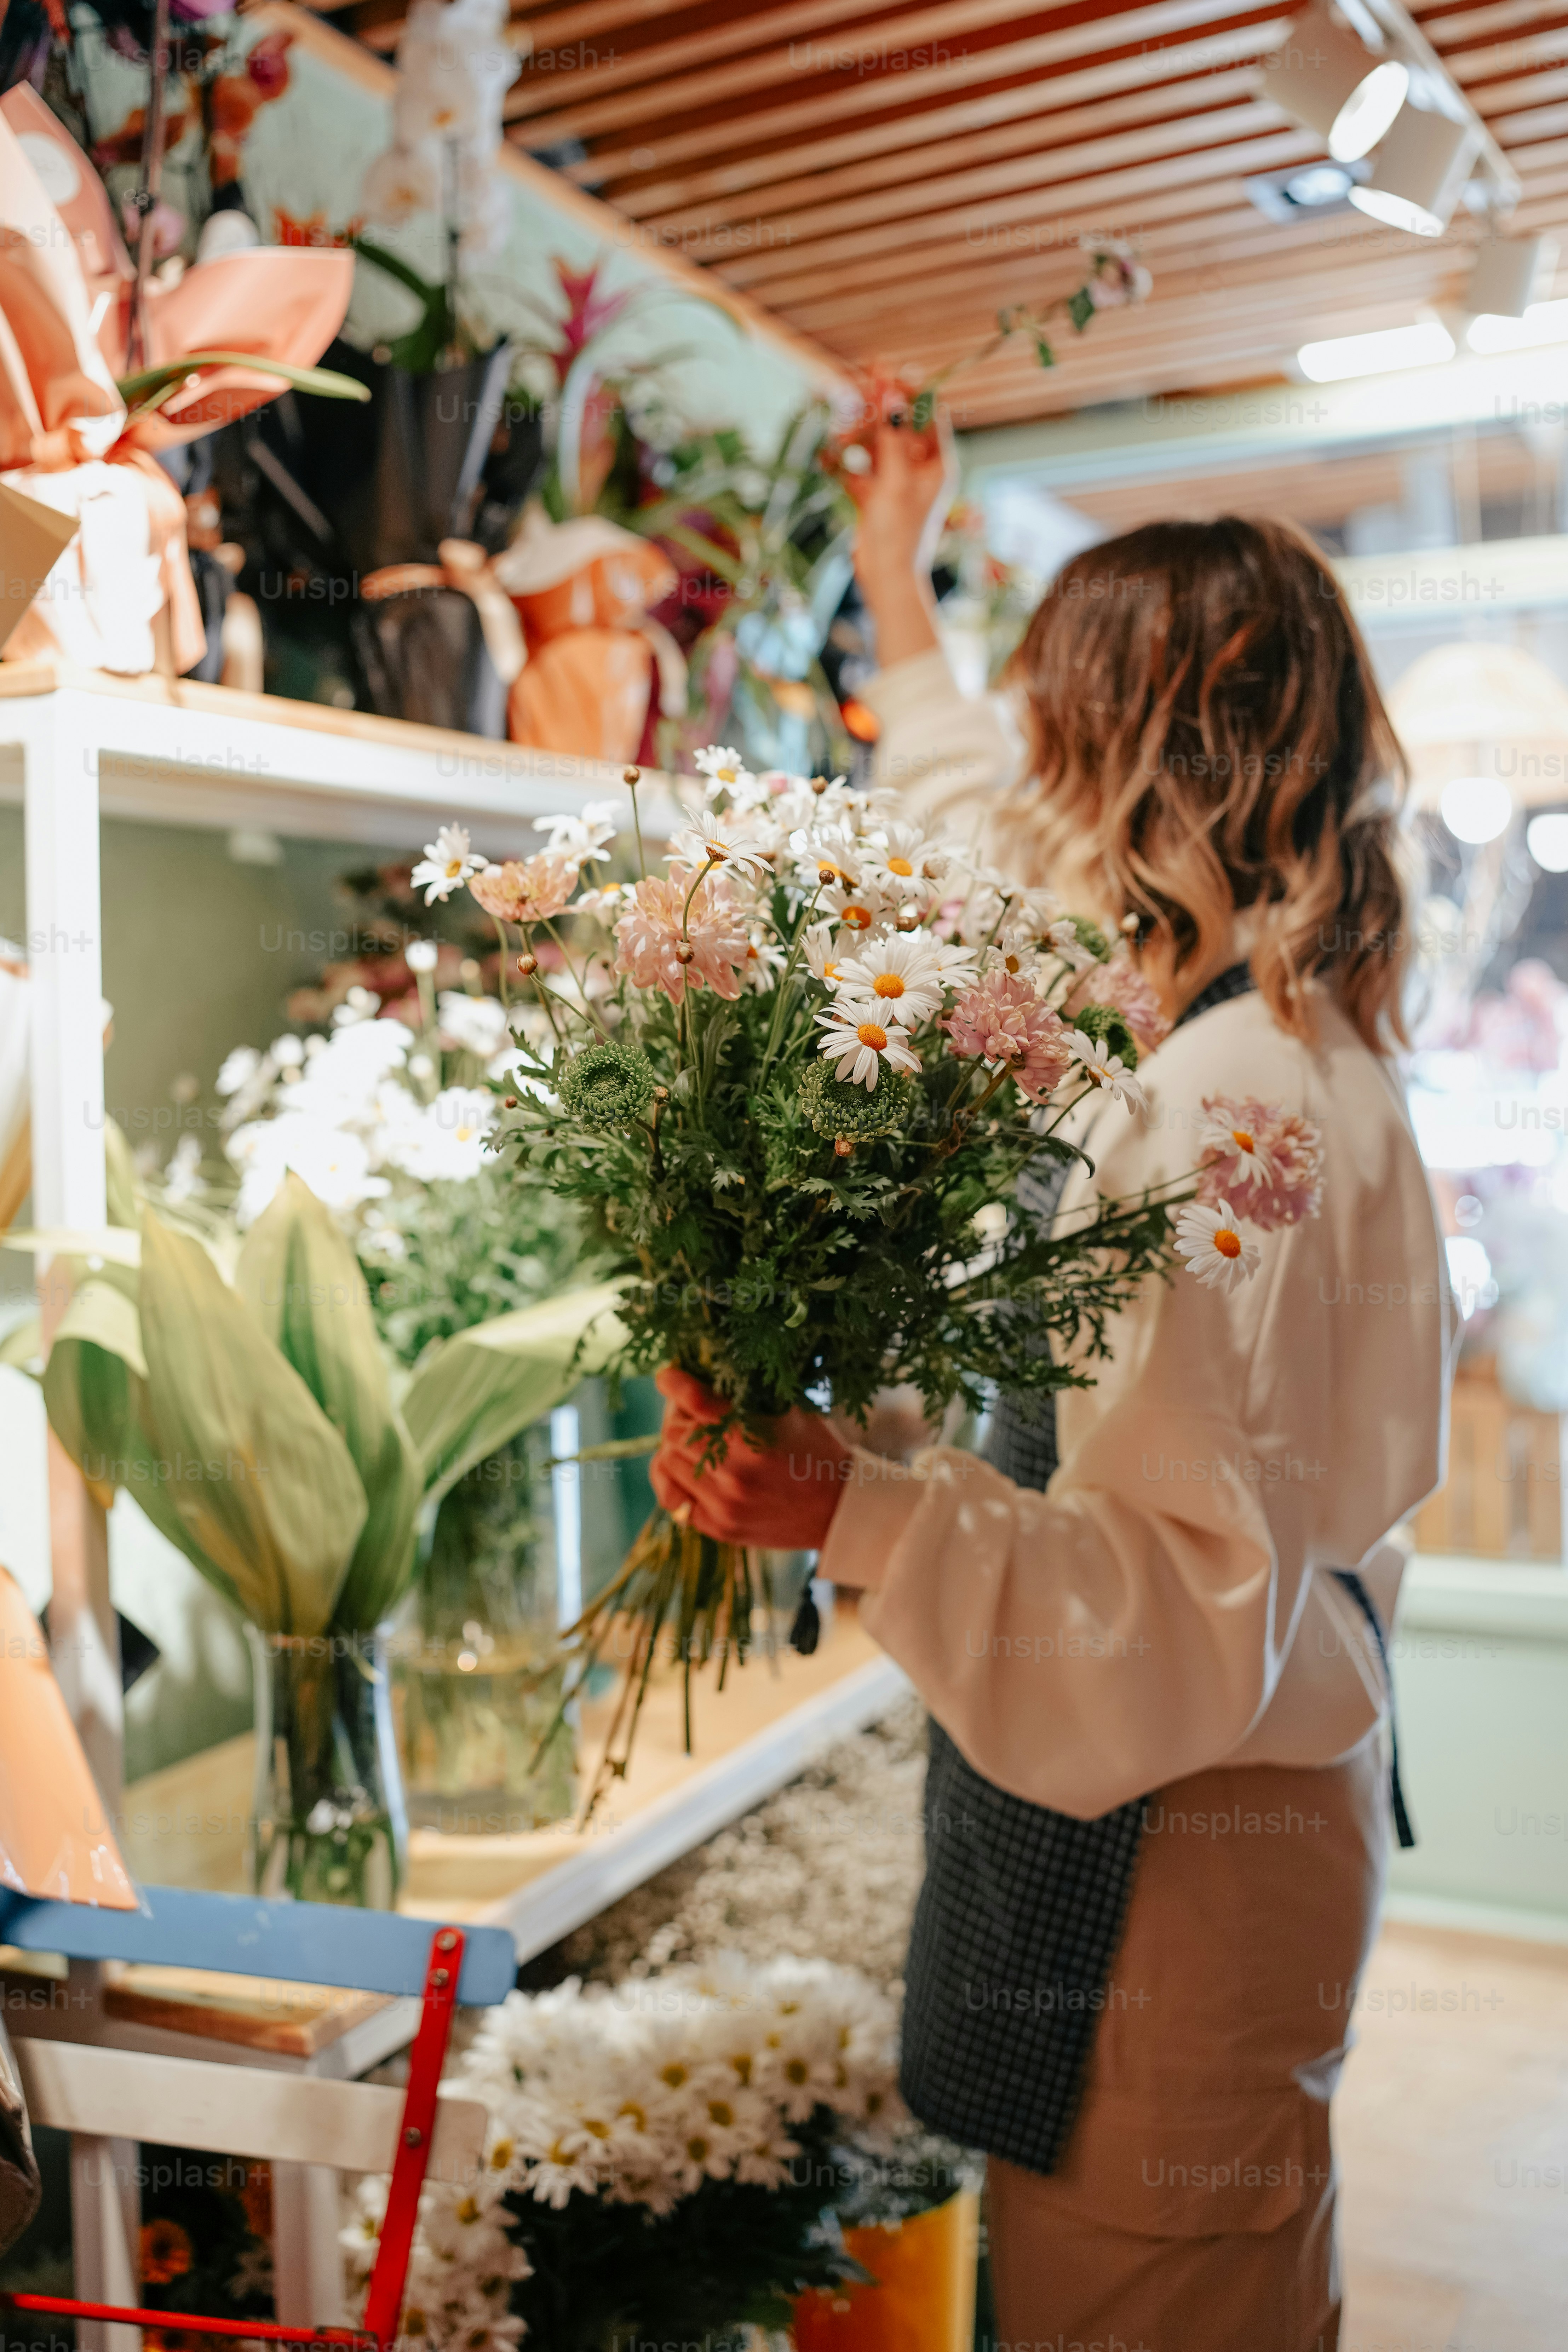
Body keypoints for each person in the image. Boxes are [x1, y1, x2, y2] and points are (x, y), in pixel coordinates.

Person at [652, 423, 1454, 2352]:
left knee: (1155, 2306)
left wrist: (855, 1501)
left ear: (1146, 760)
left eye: (1059, 743)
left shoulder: (1224, 1101)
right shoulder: (1267, 1035)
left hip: (1182, 1855)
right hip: (1240, 1825)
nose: (1036, 797)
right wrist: (895, 565)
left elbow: (1175, 1604)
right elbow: (981, 840)